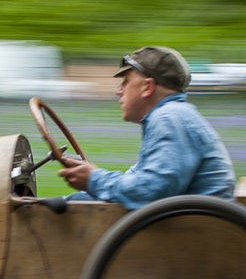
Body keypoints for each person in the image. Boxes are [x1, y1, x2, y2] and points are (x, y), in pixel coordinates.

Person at [59, 46, 235, 209]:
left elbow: (149, 192)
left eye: (125, 82)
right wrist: (63, 202)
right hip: (185, 224)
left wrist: (93, 179)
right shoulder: (175, 116)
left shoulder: (169, 118)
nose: (118, 91)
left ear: (147, 87)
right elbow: (133, 185)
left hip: (190, 234)